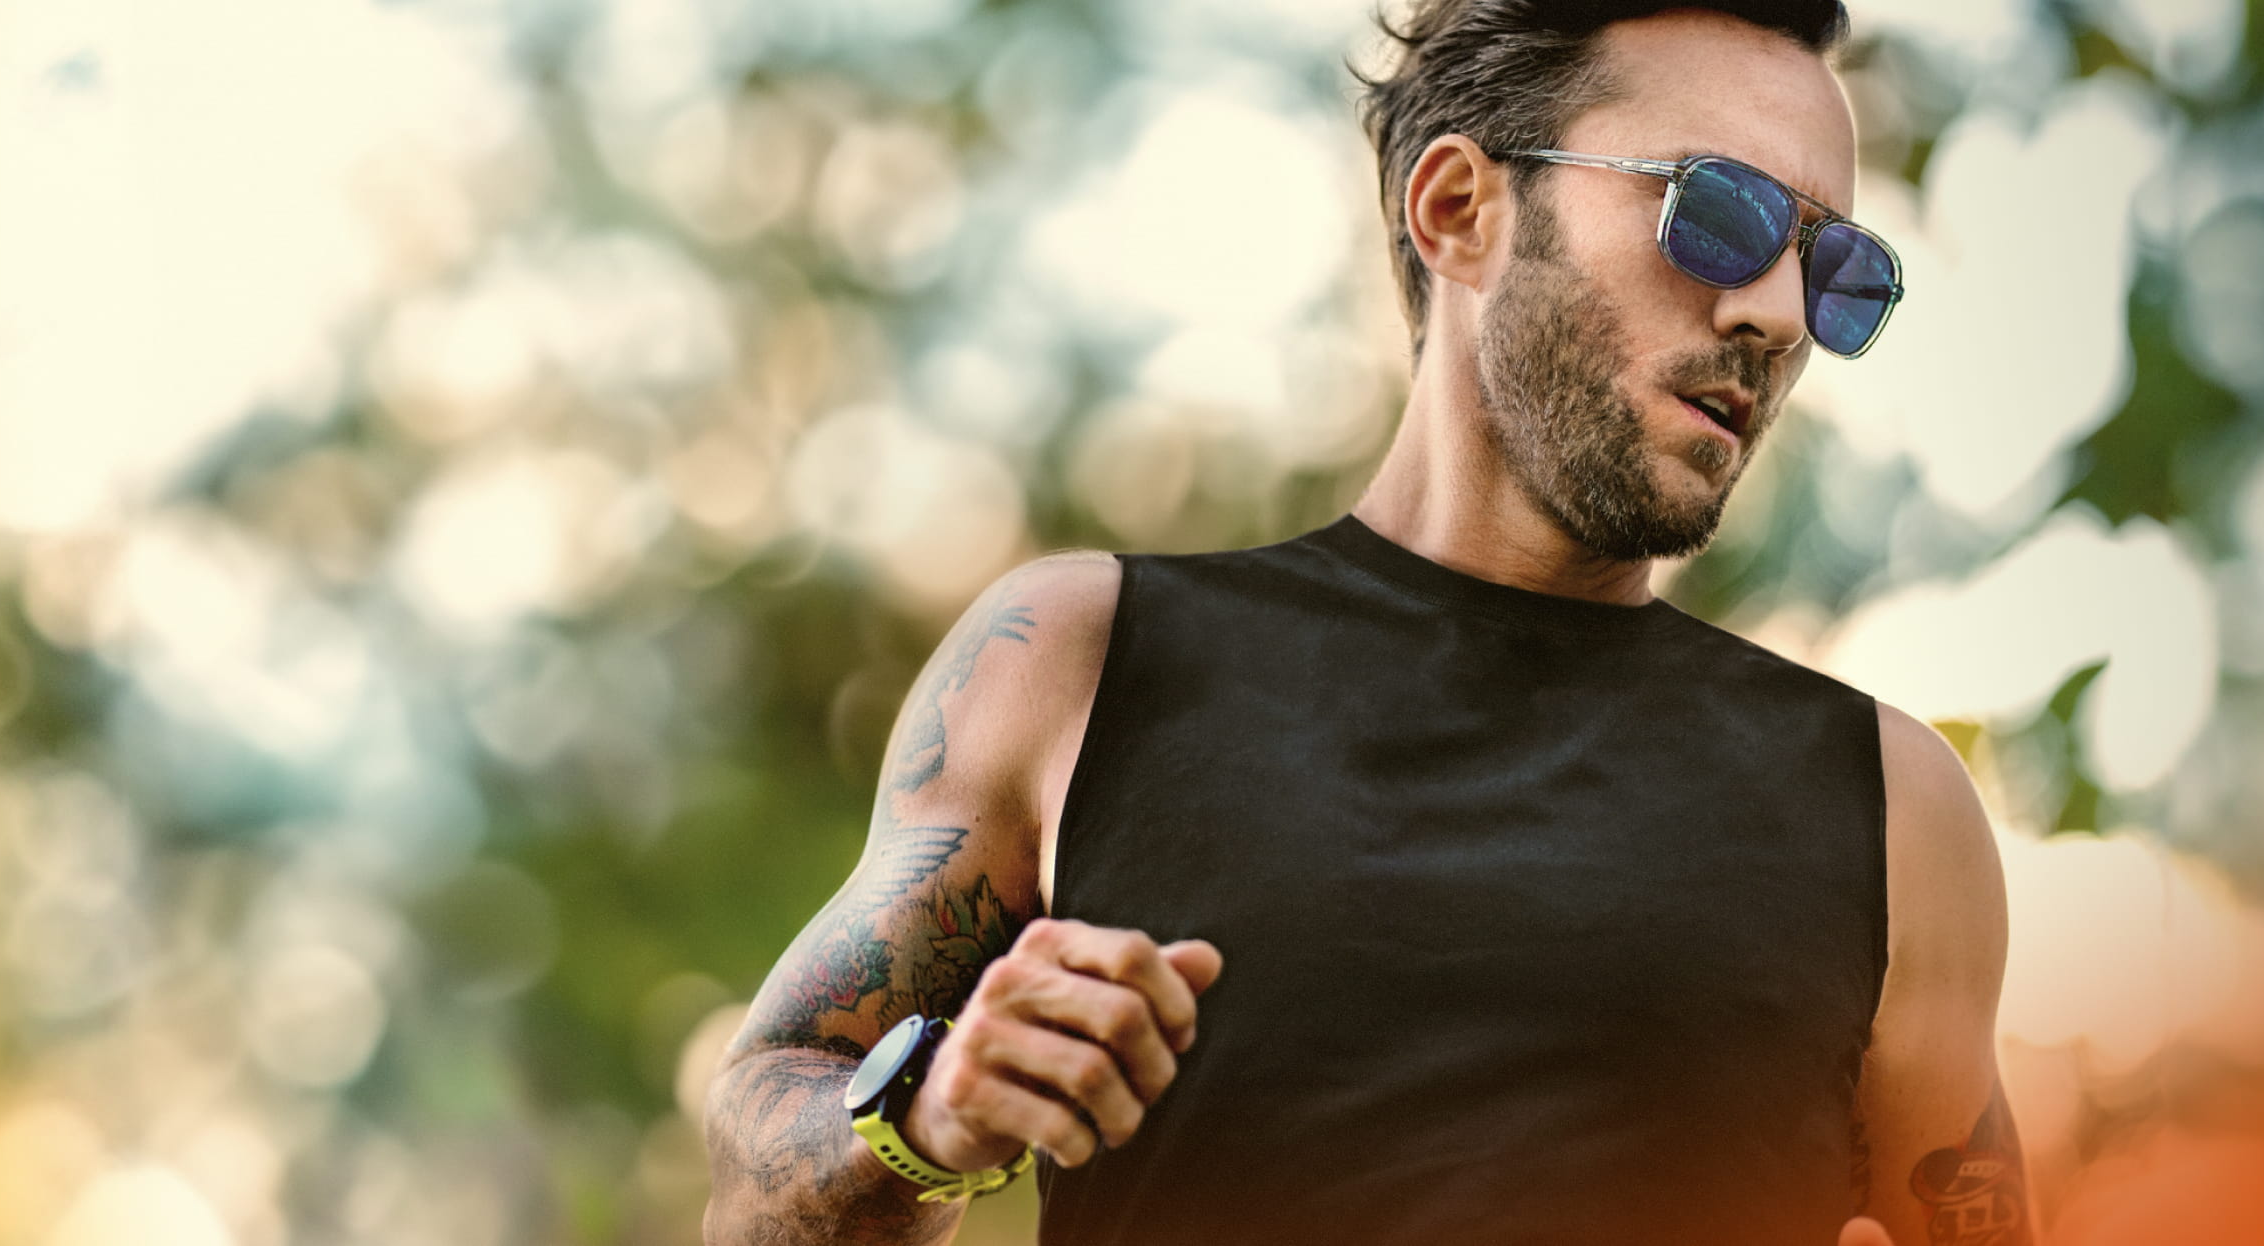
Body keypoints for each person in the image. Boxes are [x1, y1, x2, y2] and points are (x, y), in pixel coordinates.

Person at [704, 2, 2032, 1243]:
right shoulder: (1079, 659)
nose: (1775, 315)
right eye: (1720, 216)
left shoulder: (1895, 809)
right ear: (1460, 209)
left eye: (1837, 269)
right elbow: (752, 1181)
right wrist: (929, 1115)